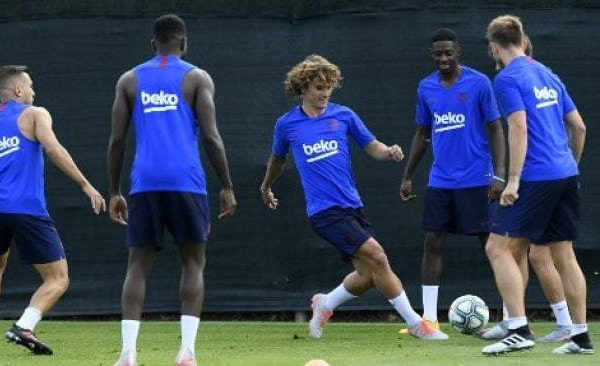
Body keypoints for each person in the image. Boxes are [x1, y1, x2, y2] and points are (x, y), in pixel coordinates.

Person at [260, 54, 448, 342]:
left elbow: (372, 146)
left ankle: (326, 303)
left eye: (328, 87)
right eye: (318, 87)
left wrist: (389, 152)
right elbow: (278, 160)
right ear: (303, 88)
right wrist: (266, 187)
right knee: (379, 257)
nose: (324, 93)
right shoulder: (286, 125)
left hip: (353, 205)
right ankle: (416, 324)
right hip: (324, 212)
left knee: (368, 275)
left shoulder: (343, 115)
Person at [108, 14, 237, 366]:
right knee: (193, 263)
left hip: (144, 183)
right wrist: (226, 185)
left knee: (137, 266)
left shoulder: (129, 80)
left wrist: (114, 191)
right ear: (184, 43)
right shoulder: (197, 77)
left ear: (153, 44)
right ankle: (186, 353)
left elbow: (117, 141)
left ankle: (128, 354)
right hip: (186, 183)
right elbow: (211, 136)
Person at [0, 65, 106, 355]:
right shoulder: (35, 114)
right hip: (27, 209)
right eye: (31, 85)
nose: (34, 91)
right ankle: (24, 325)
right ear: (18, 90)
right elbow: (53, 149)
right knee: (58, 278)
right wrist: (86, 185)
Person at [482, 14, 593, 355]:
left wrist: (513, 179)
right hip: (563, 173)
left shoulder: (506, 78)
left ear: (494, 47)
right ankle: (580, 336)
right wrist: (568, 168)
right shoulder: (546, 72)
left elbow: (518, 128)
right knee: (562, 254)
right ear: (523, 39)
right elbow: (579, 128)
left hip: (535, 176)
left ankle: (518, 329)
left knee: (497, 249)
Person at [398, 28, 505, 333]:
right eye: (438, 54)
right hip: (441, 180)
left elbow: (496, 129)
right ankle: (429, 320)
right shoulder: (426, 88)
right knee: (432, 241)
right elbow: (422, 134)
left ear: (458, 52)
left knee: (492, 245)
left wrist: (499, 174)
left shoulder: (479, 83)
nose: (444, 58)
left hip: (477, 178)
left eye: (449, 52)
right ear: (432, 55)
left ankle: (513, 317)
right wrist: (407, 175)